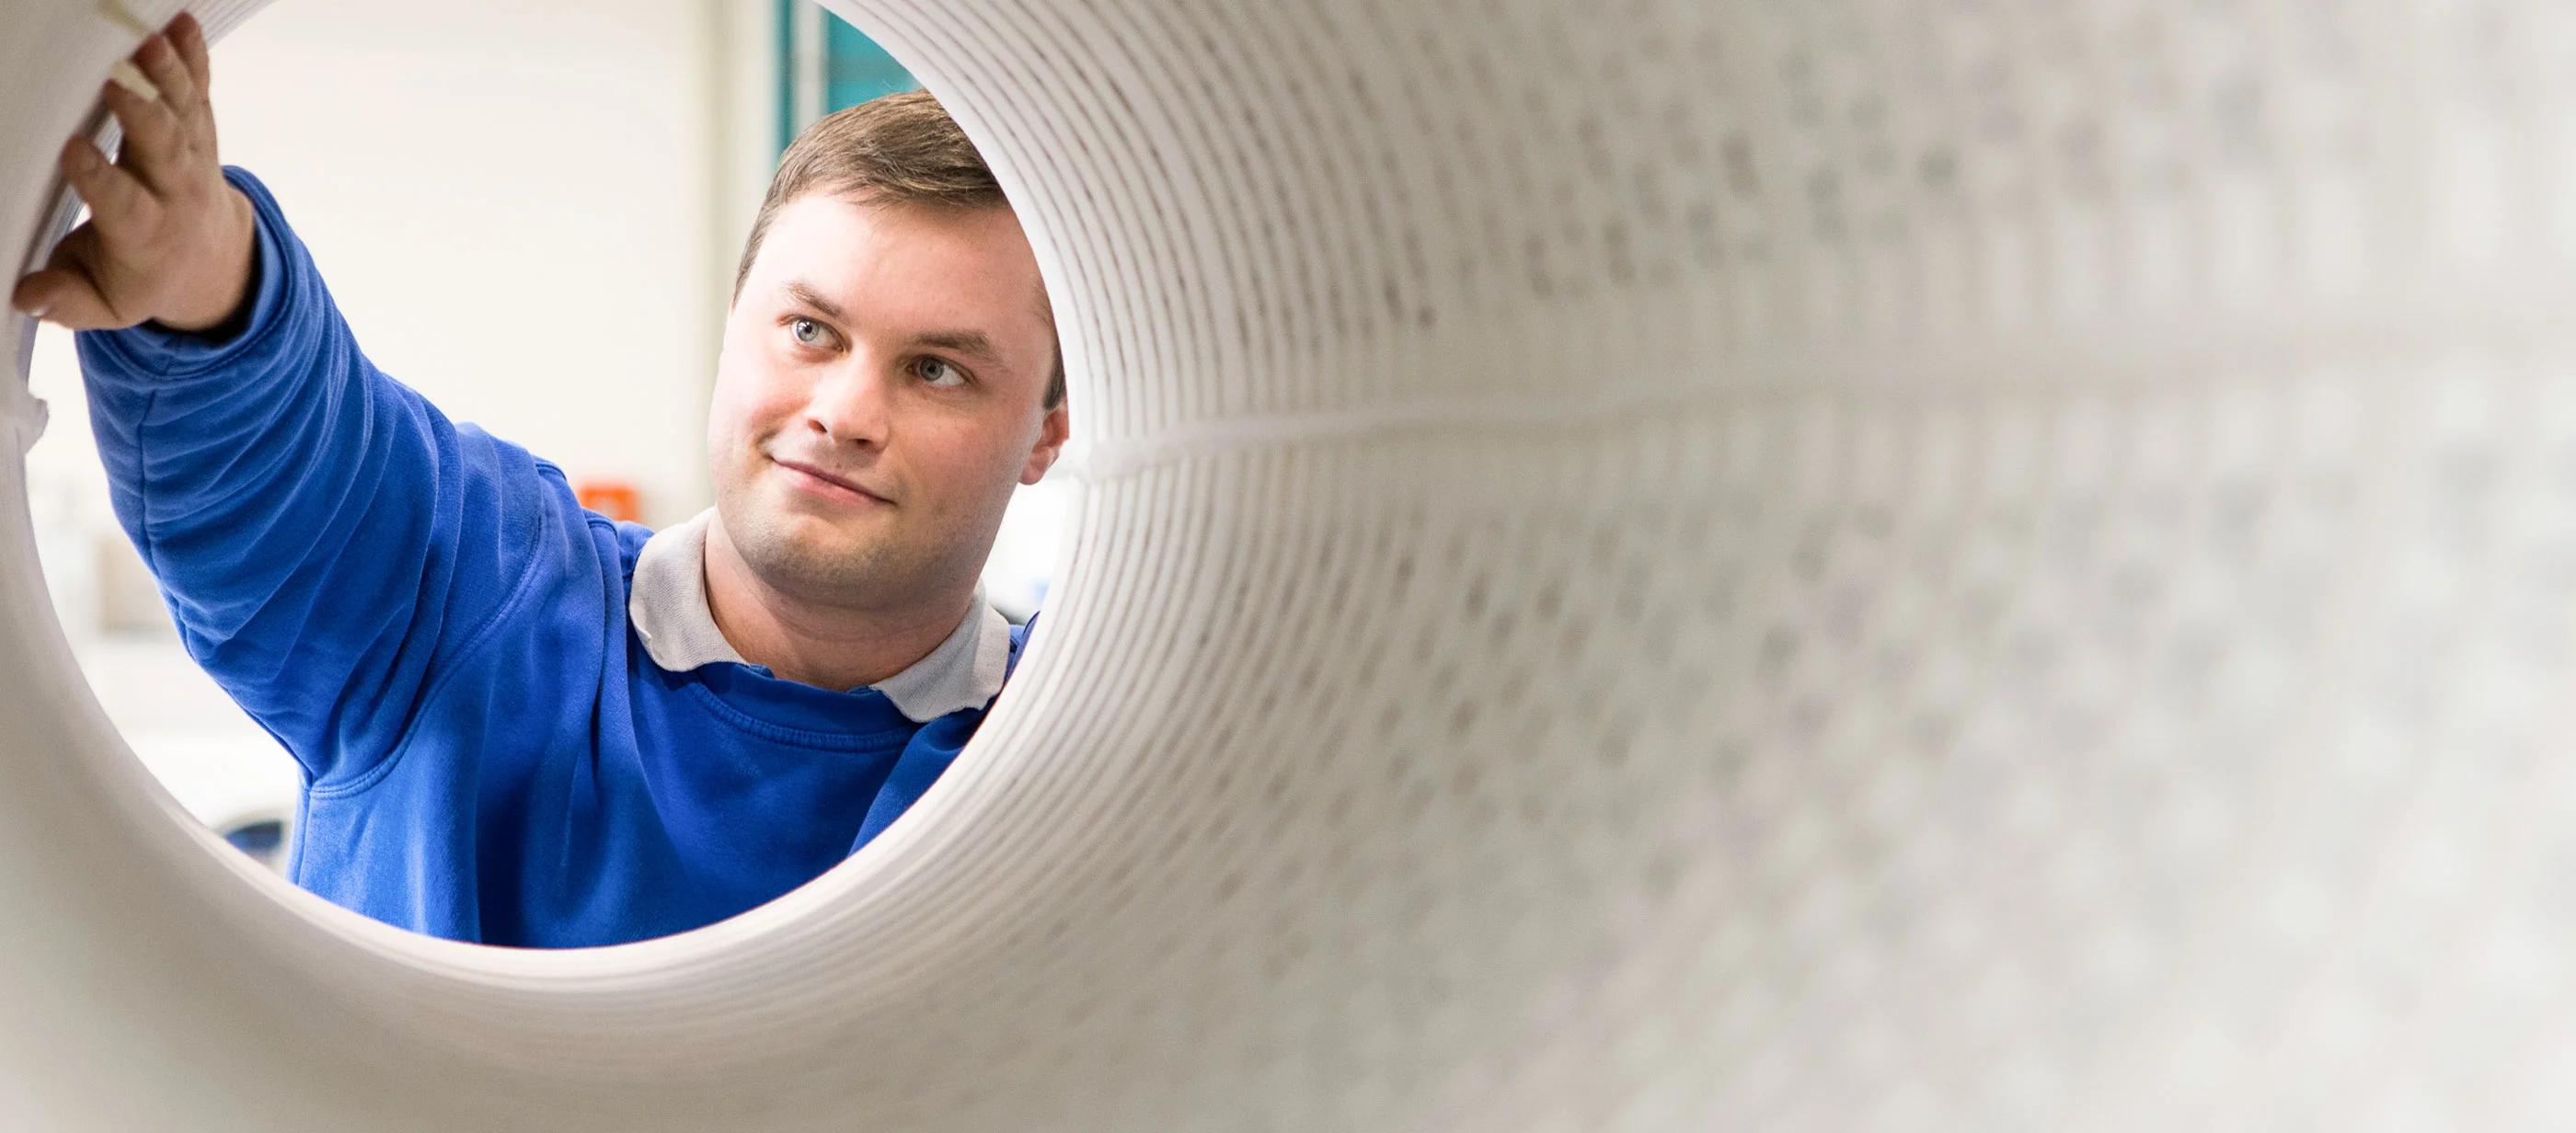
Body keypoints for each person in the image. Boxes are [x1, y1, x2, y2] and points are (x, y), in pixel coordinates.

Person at [8, 15, 1069, 947]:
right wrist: (207, 281)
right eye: (807, 329)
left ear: (1045, 433)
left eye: (936, 368)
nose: (843, 412)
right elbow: (294, 464)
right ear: (732, 328)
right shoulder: (483, 595)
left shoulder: (1075, 758)